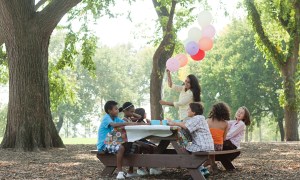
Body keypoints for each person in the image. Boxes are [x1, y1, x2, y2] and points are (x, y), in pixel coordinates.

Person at [167, 102, 214, 177]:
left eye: (188, 109)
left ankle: (196, 170)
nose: (187, 110)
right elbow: (186, 127)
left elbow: (185, 126)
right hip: (205, 145)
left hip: (202, 146)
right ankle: (202, 169)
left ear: (194, 112)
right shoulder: (199, 118)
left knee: (183, 148)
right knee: (185, 145)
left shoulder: (198, 118)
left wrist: (174, 123)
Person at [97, 100, 140, 179]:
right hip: (104, 144)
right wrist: (126, 123)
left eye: (117, 109)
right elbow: (114, 125)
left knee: (134, 146)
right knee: (121, 147)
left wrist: (144, 124)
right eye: (115, 109)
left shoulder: (116, 118)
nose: (117, 110)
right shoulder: (106, 118)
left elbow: (126, 123)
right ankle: (120, 172)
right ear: (109, 111)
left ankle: (130, 172)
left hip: (112, 140)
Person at [215, 106, 251, 170]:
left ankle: (210, 161)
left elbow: (229, 135)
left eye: (241, 113)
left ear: (245, 117)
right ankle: (211, 161)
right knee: (216, 148)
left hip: (232, 145)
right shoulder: (234, 122)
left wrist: (219, 138)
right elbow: (225, 123)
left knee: (216, 146)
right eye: (238, 111)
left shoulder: (241, 124)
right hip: (228, 143)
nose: (239, 113)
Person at [133, 107, 162, 176]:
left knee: (154, 147)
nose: (145, 114)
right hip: (138, 141)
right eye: (144, 113)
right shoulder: (138, 122)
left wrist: (149, 123)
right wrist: (149, 124)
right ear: (141, 114)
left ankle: (151, 167)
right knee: (152, 147)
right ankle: (147, 167)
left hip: (143, 140)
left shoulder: (143, 122)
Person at [206, 102, 230, 172]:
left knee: (210, 146)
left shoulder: (207, 121)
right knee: (212, 146)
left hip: (208, 146)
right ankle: (213, 164)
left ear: (213, 111)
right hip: (219, 147)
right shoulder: (225, 123)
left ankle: (210, 163)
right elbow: (224, 138)